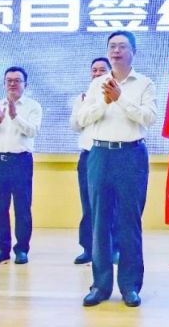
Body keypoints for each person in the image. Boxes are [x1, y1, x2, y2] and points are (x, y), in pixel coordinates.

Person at [78, 31, 157, 308]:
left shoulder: (144, 83)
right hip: (100, 154)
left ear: (133, 51)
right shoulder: (97, 84)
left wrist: (121, 98)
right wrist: (105, 102)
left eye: (122, 46)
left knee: (129, 222)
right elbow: (81, 120)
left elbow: (149, 118)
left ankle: (130, 286)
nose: (116, 50)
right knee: (99, 222)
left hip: (131, 156)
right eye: (112, 46)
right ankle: (100, 286)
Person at [0, 66, 42, 265]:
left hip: (21, 162)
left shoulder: (33, 106)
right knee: (0, 207)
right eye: (9, 80)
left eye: (17, 80)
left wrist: (15, 116)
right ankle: (1, 248)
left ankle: (22, 249)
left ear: (25, 84)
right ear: (4, 83)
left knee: (22, 208)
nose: (13, 84)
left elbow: (32, 131)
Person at [70, 57, 119, 265]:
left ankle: (113, 249)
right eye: (94, 70)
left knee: (112, 205)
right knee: (88, 205)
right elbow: (75, 125)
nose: (97, 73)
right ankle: (89, 249)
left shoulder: (117, 95)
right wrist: (86, 108)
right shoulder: (83, 97)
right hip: (88, 155)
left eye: (102, 70)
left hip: (110, 155)